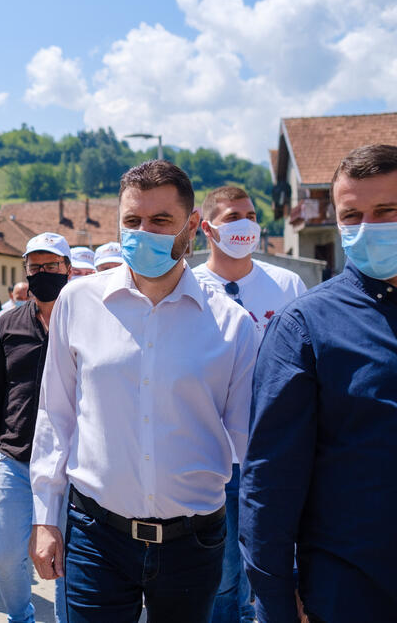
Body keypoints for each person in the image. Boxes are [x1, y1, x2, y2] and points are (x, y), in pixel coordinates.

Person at [29, 160, 260, 622]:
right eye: (132, 221)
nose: (143, 233)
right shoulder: (79, 302)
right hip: (97, 533)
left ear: (192, 226)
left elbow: (251, 447)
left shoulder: (232, 325)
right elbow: (56, 415)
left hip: (194, 541)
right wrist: (44, 517)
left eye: (160, 221)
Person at [240, 144, 397, 623]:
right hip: (351, 588)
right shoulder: (306, 326)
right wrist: (275, 595)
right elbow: (270, 475)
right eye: (353, 215)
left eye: (387, 211)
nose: (368, 227)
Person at [193, 185, 306, 623]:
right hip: (215, 457)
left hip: (275, 452)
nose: (246, 224)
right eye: (232, 217)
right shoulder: (190, 286)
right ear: (207, 229)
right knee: (222, 580)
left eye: (252, 215)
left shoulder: (286, 284)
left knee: (274, 570)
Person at [0, 232, 72, 623]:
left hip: (73, 460)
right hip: (16, 456)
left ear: (68, 269)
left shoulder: (86, 318)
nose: (44, 273)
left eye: (52, 266)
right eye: (36, 267)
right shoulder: (8, 323)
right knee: (5, 553)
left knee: (71, 552)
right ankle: (21, 616)